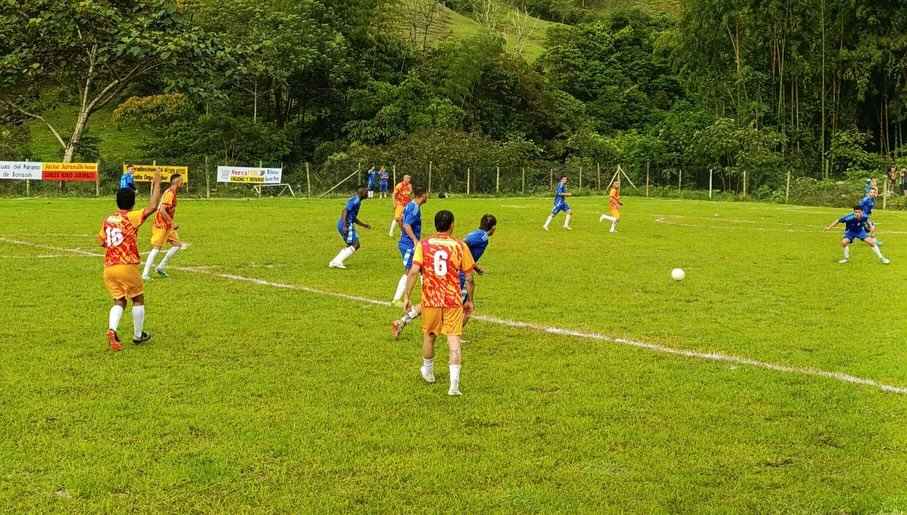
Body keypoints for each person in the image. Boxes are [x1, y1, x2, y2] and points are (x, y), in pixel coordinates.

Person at [401, 210, 475, 396]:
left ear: (435, 225)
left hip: (431, 300)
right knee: (454, 341)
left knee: (430, 336)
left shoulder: (424, 245)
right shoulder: (459, 245)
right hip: (452, 300)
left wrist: (406, 296)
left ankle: (428, 371)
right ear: (452, 225)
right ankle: (454, 386)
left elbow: (413, 271)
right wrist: (470, 300)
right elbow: (469, 277)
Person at [393, 214, 495, 337]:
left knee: (431, 302)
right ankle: (455, 335)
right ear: (493, 228)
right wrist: (467, 263)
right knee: (465, 307)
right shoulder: (483, 237)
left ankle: (402, 321)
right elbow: (464, 245)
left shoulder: (476, 233)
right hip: (460, 276)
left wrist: (474, 266)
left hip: (454, 272)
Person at [98, 170, 163, 351]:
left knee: (119, 301)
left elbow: (102, 241)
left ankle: (112, 329)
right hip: (126, 266)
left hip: (109, 268)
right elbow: (152, 206)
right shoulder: (131, 217)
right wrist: (157, 184)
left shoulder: (108, 219)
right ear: (133, 203)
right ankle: (138, 335)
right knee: (137, 298)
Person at [142, 174, 186, 280]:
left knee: (177, 245)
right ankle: (145, 274)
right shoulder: (170, 193)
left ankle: (161, 267)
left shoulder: (172, 192)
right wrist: (172, 223)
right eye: (181, 181)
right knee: (157, 248)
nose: (183, 183)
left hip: (167, 225)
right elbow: (162, 209)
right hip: (161, 224)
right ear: (177, 182)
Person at [392, 187, 428, 306]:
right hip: (409, 245)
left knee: (422, 268)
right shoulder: (414, 208)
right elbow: (407, 225)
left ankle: (428, 297)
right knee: (409, 271)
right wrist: (414, 240)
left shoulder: (410, 205)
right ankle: (397, 299)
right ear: (423, 195)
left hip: (407, 242)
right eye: (427, 194)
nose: (428, 196)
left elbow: (400, 220)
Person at [825, 205, 890, 264]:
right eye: (855, 212)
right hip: (850, 231)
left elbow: (869, 222)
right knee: (844, 242)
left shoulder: (864, 216)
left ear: (862, 212)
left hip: (860, 231)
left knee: (871, 242)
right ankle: (846, 259)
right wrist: (829, 228)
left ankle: (882, 258)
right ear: (853, 212)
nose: (857, 214)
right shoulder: (848, 217)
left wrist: (871, 229)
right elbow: (838, 220)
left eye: (859, 212)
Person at [329, 187, 371, 269]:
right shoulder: (355, 200)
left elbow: (353, 217)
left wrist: (364, 225)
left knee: (350, 244)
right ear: (361, 192)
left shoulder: (357, 201)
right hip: (346, 225)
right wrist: (345, 225)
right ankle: (337, 261)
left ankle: (334, 261)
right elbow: (344, 211)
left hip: (345, 224)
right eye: (366, 192)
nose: (367, 193)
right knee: (356, 244)